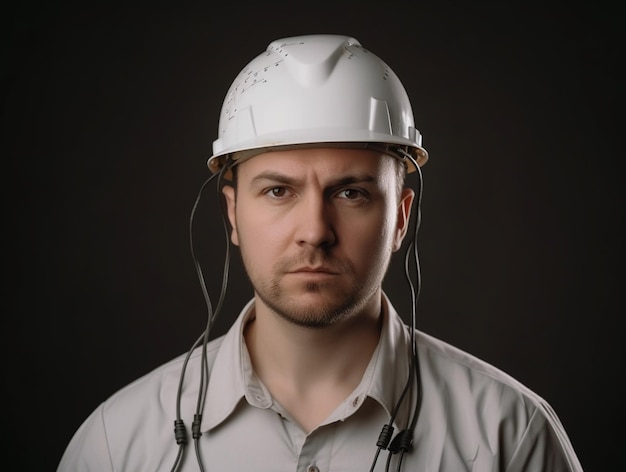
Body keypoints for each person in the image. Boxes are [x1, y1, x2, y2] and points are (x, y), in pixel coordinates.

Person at [57, 34, 584, 472]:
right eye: (279, 191)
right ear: (232, 215)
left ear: (400, 217)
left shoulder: (509, 437)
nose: (315, 232)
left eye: (350, 192)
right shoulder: (115, 445)